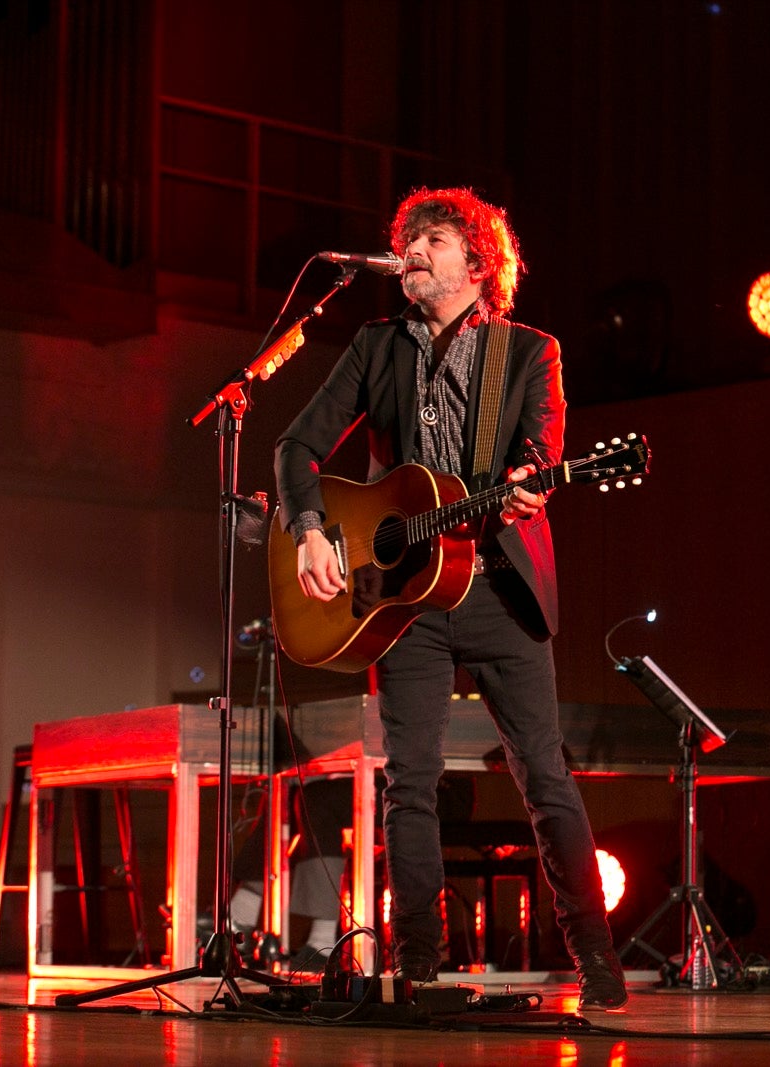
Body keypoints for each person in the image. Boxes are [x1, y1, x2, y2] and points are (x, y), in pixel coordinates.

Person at [274, 188, 627, 1009]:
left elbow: (543, 447)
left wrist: (527, 486)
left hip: (500, 586)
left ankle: (596, 957)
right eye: (407, 239)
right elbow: (298, 445)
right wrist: (311, 530)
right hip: (404, 596)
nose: (411, 252)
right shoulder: (374, 346)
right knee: (411, 779)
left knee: (544, 774)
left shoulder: (530, 349)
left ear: (477, 260)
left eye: (430, 239)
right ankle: (421, 963)